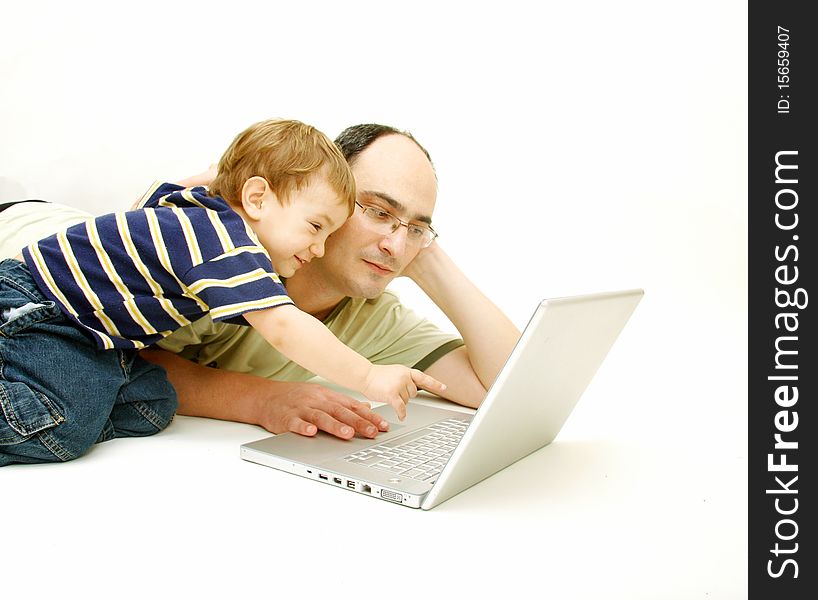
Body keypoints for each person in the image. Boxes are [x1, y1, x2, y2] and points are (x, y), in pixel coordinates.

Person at [0, 123, 520, 444]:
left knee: (135, 407)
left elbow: (511, 390)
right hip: (27, 272)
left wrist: (424, 255)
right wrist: (262, 399)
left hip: (85, 313)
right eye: (379, 211)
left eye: (416, 226)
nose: (396, 243)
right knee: (65, 415)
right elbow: (127, 346)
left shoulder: (372, 311)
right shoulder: (231, 257)